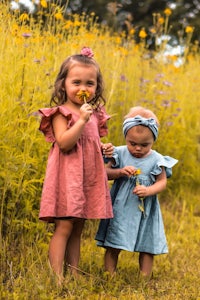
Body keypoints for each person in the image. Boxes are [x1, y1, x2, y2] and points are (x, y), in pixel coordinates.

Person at [38, 47, 113, 281]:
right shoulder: (61, 113)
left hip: (85, 177)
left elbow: (91, 142)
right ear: (63, 84)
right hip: (67, 178)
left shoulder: (95, 112)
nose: (83, 88)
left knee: (78, 227)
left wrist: (103, 147)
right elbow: (65, 143)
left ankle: (74, 272)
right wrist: (81, 120)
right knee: (64, 226)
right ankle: (57, 276)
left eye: (90, 84)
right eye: (76, 82)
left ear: (97, 87)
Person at [95, 106, 178, 279]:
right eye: (132, 143)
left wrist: (148, 190)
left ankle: (144, 277)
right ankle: (109, 274)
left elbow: (162, 182)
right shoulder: (120, 153)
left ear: (153, 140)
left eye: (144, 145)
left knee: (147, 243)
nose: (138, 149)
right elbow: (104, 173)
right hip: (121, 208)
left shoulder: (156, 159)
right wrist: (119, 172)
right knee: (114, 240)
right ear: (126, 137)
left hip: (146, 209)